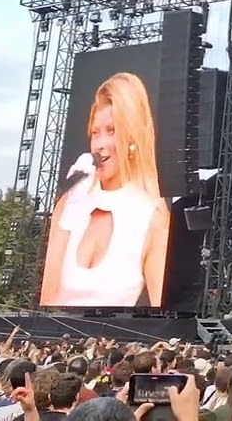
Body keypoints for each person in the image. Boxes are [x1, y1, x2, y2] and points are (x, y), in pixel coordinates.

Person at [40, 72, 171, 307]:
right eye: (95, 132)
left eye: (111, 130)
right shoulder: (69, 202)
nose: (100, 144)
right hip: (59, 340)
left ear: (132, 137)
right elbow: (47, 302)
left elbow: (163, 315)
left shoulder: (153, 217)